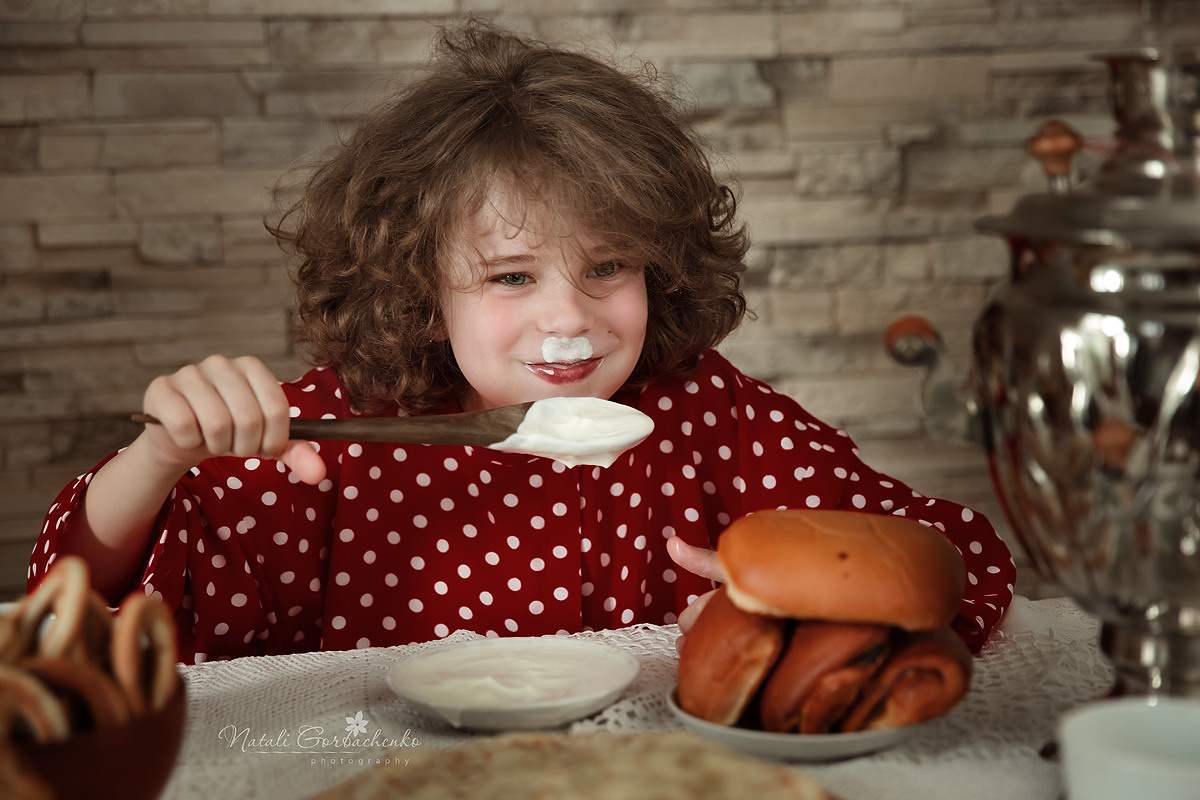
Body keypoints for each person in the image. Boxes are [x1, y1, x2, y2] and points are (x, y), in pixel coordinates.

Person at [30, 21, 1015, 664]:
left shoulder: (706, 414)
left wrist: (809, 595)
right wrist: (160, 455)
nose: (570, 319)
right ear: (419, 287)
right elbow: (80, 608)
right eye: (511, 275)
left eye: (607, 266)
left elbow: (951, 553)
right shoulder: (332, 438)